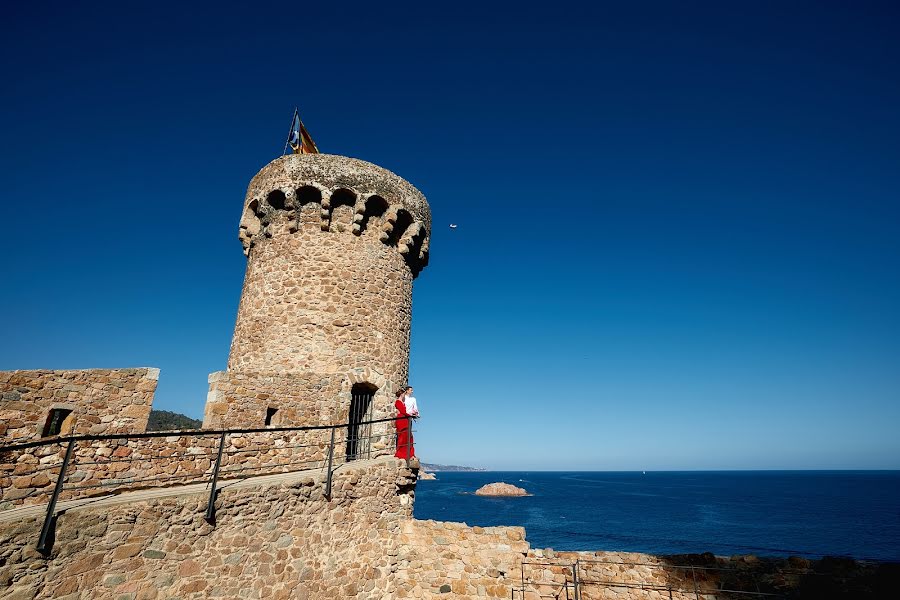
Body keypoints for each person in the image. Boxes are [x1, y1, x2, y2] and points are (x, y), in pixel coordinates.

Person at [394, 386, 415, 459]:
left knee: (408, 436)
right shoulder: (398, 402)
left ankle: (409, 453)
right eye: (403, 393)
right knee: (403, 436)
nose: (404, 395)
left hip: (405, 420)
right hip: (401, 419)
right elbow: (403, 411)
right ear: (401, 394)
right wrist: (410, 415)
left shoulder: (402, 402)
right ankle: (402, 453)